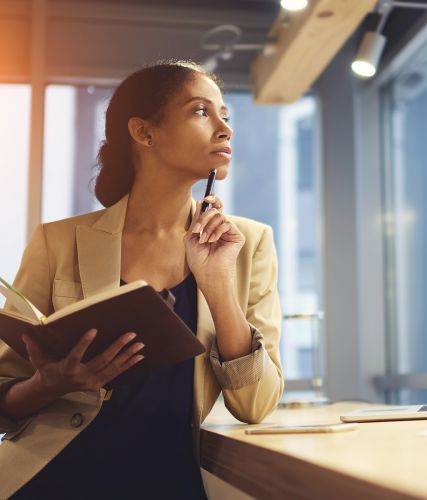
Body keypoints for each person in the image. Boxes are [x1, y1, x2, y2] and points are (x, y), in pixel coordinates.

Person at [0, 60, 284, 499]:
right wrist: (48, 384)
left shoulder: (249, 243)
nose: (225, 129)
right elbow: (3, 393)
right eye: (201, 111)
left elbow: (255, 405)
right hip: (53, 480)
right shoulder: (58, 241)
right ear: (144, 132)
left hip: (170, 483)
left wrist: (219, 286)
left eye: (225, 115)